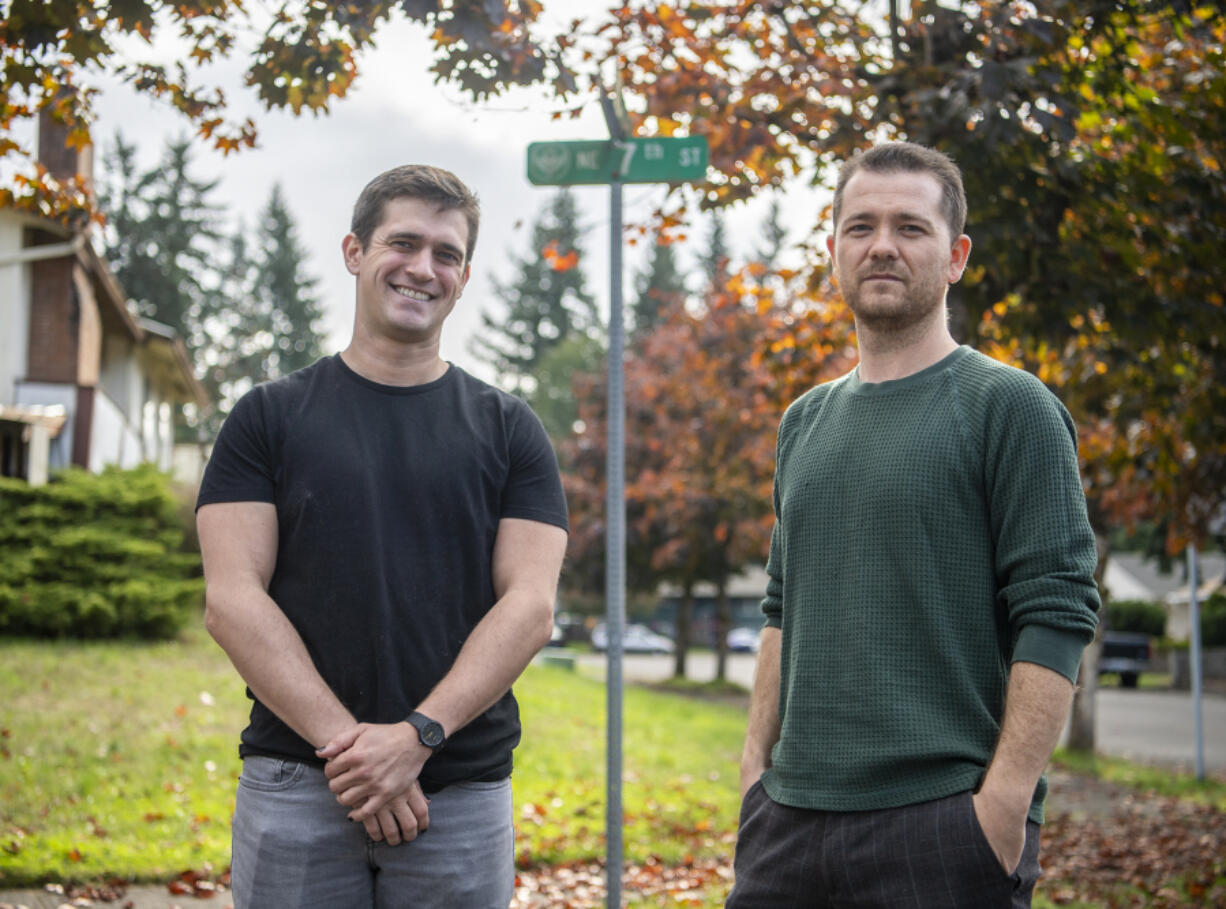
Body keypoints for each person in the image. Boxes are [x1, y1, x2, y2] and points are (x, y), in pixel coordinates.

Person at [727, 142, 1100, 908]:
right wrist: (754, 773)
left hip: (941, 820)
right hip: (788, 826)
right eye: (860, 226)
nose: (883, 246)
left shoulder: (1011, 406)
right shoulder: (805, 421)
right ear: (833, 249)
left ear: (956, 254)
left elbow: (1058, 614)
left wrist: (1001, 808)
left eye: (911, 227)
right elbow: (781, 608)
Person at [196, 165, 569, 909]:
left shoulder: (510, 428)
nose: (423, 267)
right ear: (355, 251)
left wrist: (417, 737)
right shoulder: (266, 417)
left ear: (462, 276)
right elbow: (232, 599)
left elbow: (529, 606)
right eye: (404, 242)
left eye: (446, 253)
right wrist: (357, 753)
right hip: (298, 782)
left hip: (457, 790)